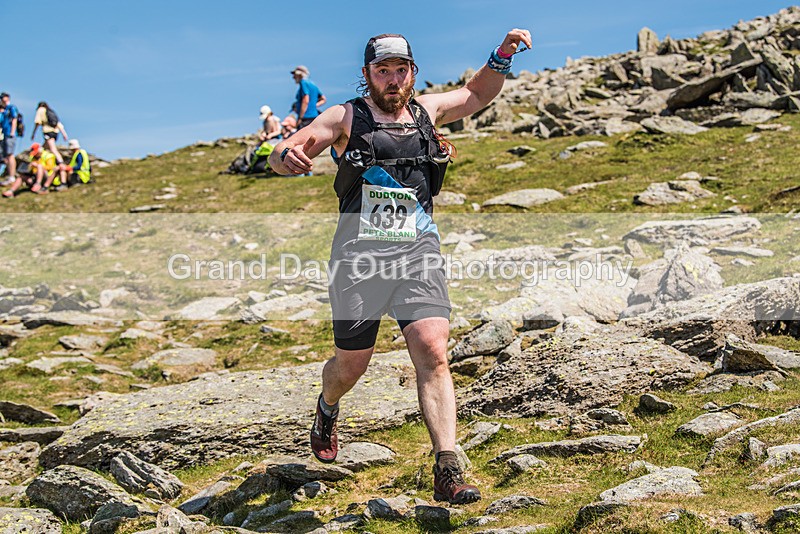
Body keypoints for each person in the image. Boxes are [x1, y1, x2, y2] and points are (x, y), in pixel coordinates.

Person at [269, 30, 532, 504]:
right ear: (368, 74)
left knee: (432, 349)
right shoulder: (345, 116)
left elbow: (476, 94)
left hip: (418, 250)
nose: (393, 79)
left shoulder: (427, 112)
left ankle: (447, 466)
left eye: (401, 69)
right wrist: (283, 156)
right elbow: (291, 146)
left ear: (412, 71)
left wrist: (503, 54)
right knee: (351, 365)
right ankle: (327, 408)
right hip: (359, 258)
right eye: (382, 70)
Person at [0, 92, 19, 186]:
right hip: (4, 134)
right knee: (5, 156)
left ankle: (12, 176)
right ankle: (9, 174)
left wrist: (12, 132)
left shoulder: (11, 108)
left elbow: (14, 119)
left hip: (9, 134)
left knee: (10, 154)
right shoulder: (4, 111)